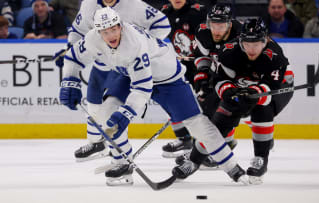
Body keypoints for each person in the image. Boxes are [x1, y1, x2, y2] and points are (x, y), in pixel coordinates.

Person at [60, 7, 247, 186]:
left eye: (114, 29)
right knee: (108, 112)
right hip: (128, 75)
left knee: (196, 124)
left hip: (167, 79)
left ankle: (232, 168)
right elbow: (73, 58)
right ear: (98, 32)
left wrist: (126, 113)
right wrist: (70, 80)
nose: (111, 36)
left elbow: (143, 87)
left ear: (120, 26)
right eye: (105, 32)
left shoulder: (133, 43)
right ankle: (122, 164)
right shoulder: (93, 38)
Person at [175, 18, 294, 184]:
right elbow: (220, 81)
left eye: (256, 44)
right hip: (241, 85)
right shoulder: (229, 52)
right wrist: (227, 92)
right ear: (240, 40)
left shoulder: (275, 55)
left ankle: (261, 158)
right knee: (218, 124)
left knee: (262, 109)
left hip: (278, 86)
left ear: (265, 40)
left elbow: (270, 87)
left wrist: (254, 93)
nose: (251, 49)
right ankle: (193, 161)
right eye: (247, 44)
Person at [53, 0, 171, 162]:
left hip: (126, 65)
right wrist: (71, 47)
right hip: (103, 61)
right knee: (93, 100)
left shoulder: (133, 4)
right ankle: (96, 142)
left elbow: (162, 24)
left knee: (114, 107)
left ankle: (122, 151)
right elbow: (78, 29)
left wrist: (145, 48)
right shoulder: (88, 4)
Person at [172, 3, 242, 168]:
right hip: (218, 71)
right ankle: (206, 147)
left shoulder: (239, 34)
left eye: (221, 25)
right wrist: (203, 76)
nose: (216, 30)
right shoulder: (203, 32)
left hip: (238, 75)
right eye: (213, 25)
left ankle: (225, 144)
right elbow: (201, 57)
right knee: (205, 110)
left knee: (225, 110)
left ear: (230, 24)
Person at [159, 0, 207, 158]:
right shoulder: (164, 12)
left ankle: (207, 143)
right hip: (180, 65)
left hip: (202, 64)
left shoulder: (199, 11)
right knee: (173, 102)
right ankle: (184, 139)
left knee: (205, 103)